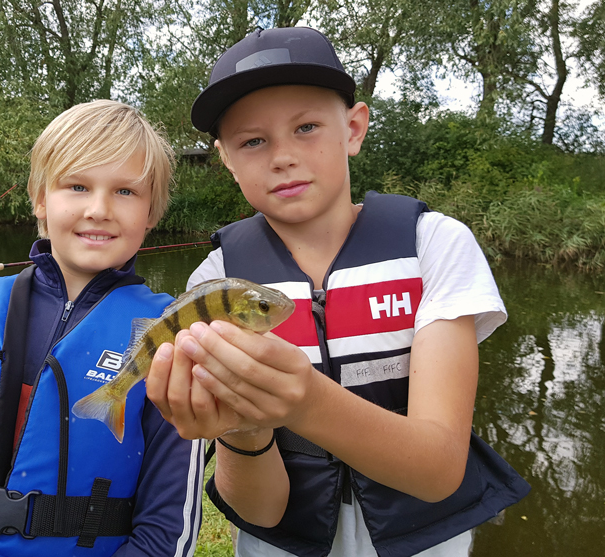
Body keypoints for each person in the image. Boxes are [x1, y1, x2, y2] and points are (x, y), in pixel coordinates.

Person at [146, 27, 530, 557]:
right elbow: (257, 512)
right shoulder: (214, 281)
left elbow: (439, 471)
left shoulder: (435, 245)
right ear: (226, 159)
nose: (282, 156)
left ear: (353, 128)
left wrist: (304, 400)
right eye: (252, 141)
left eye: (306, 127)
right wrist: (244, 430)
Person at [0, 100, 205, 557]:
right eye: (76, 185)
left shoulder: (173, 334)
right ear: (40, 198)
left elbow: (167, 526)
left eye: (126, 192)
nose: (98, 209)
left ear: (152, 211)